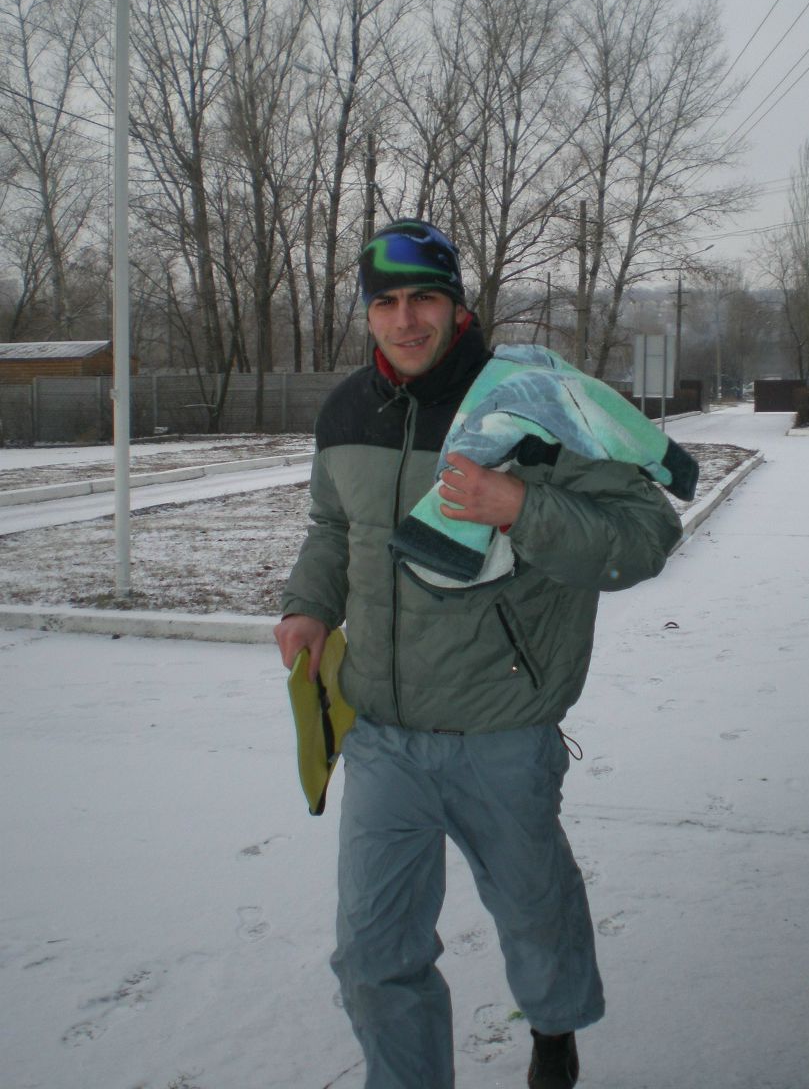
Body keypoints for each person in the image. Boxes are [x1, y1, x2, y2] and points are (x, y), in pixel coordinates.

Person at [275, 219, 683, 1089]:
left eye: (424, 297)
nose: (405, 319)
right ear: (368, 314)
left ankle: (555, 1027)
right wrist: (310, 606)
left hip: (502, 728)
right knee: (372, 954)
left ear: (459, 306)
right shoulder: (348, 408)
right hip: (381, 731)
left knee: (535, 913)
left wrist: (519, 507)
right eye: (384, 302)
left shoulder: (535, 402)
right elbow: (333, 526)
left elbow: (647, 534)